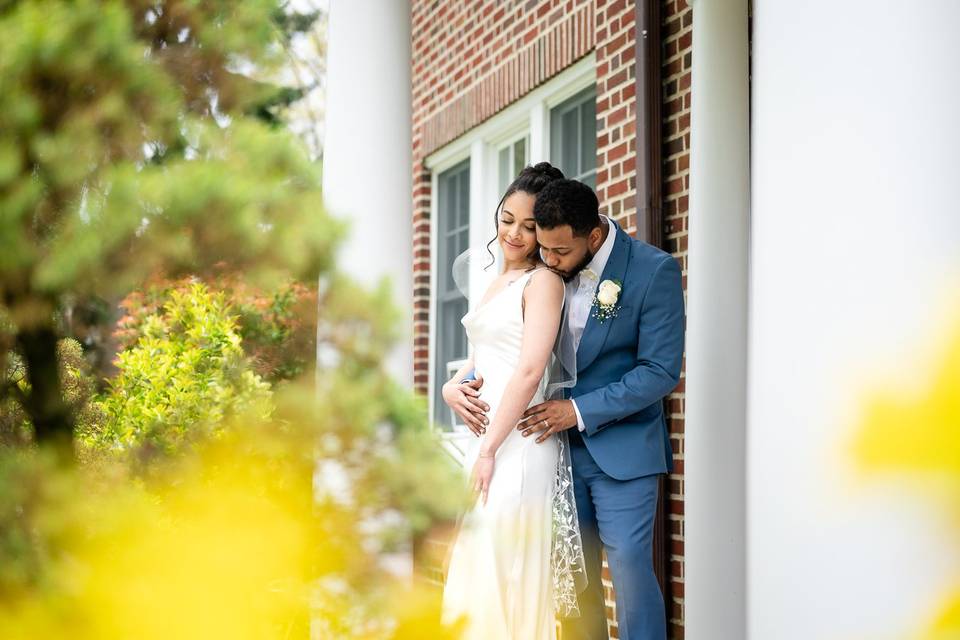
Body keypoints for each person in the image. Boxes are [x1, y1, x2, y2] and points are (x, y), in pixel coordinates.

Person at [453, 178, 686, 639]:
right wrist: (455, 385)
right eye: (544, 248)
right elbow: (512, 351)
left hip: (623, 451)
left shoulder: (652, 270)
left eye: (559, 251)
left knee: (629, 571)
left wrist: (575, 410)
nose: (549, 261)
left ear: (593, 236)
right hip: (555, 454)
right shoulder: (547, 271)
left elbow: (659, 372)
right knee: (572, 583)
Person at [440, 162, 569, 639]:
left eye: (530, 226)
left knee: (505, 566)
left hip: (517, 445)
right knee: (477, 564)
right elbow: (481, 360)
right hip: (487, 442)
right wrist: (452, 386)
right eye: (507, 218)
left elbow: (530, 368)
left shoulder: (544, 283)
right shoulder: (493, 279)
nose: (514, 233)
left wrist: (492, 449)